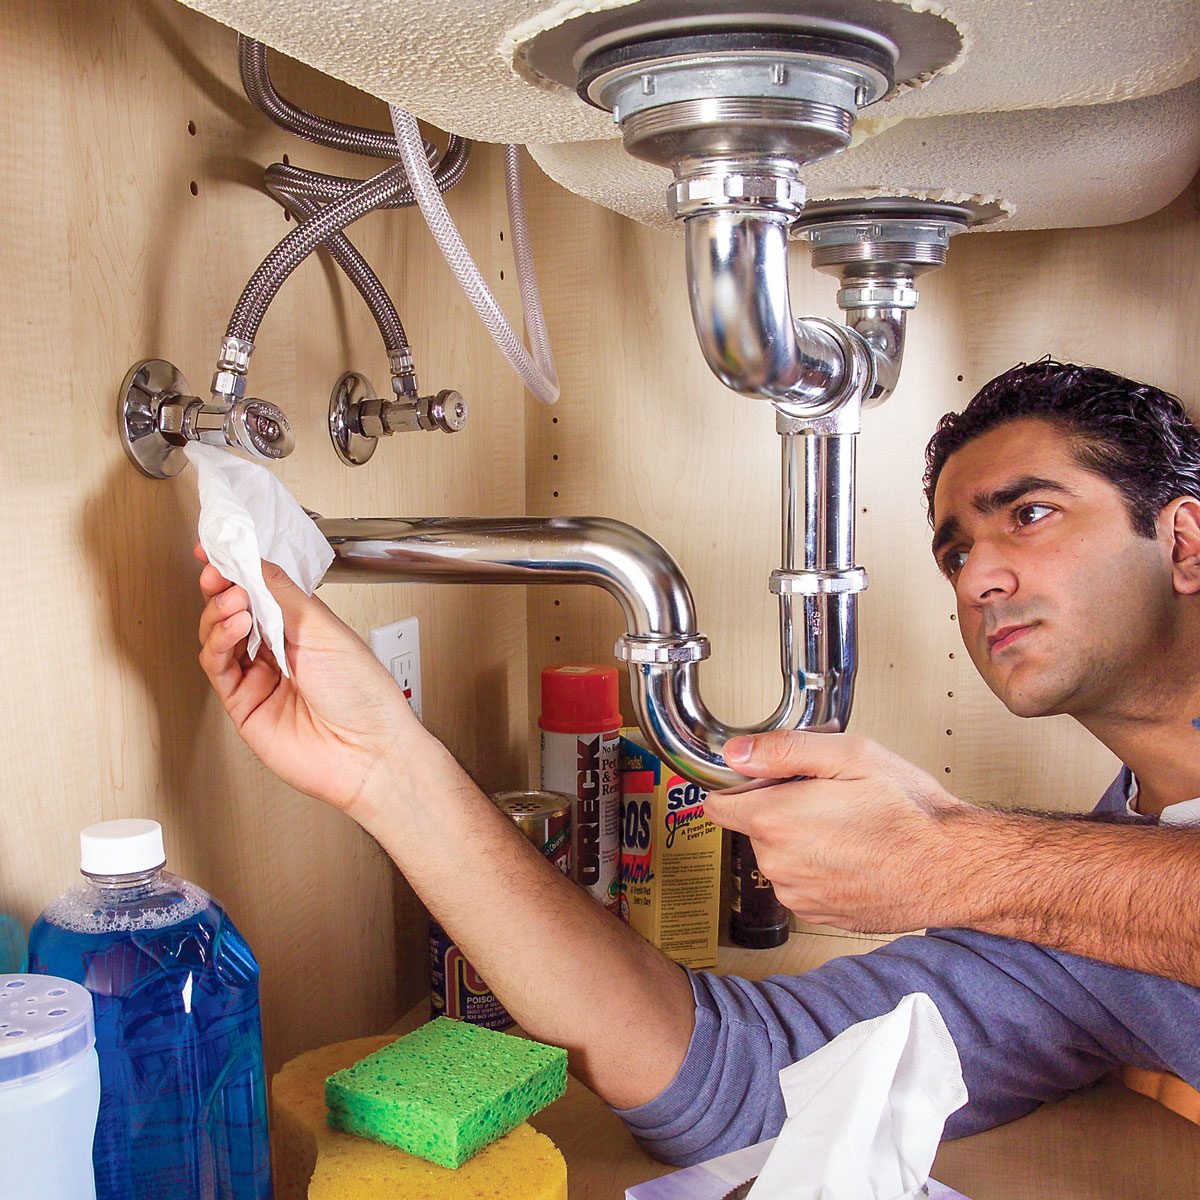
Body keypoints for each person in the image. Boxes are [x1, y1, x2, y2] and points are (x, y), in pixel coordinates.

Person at [196, 359, 1200, 1165]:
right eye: (953, 551)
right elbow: (739, 1084)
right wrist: (390, 772)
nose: (979, 574)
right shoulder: (1086, 929)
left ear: (1185, 542)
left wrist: (952, 861)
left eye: (1030, 514)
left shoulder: (1056, 886)